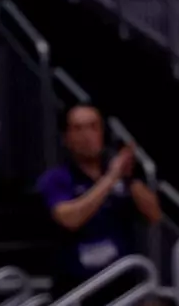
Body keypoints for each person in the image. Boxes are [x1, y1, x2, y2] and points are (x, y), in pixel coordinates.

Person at [36, 103, 161, 288]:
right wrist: (110, 179)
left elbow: (154, 214)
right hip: (75, 285)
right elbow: (70, 219)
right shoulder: (55, 179)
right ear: (66, 138)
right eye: (78, 129)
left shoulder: (121, 176)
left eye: (93, 127)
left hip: (123, 282)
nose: (87, 136)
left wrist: (129, 178)